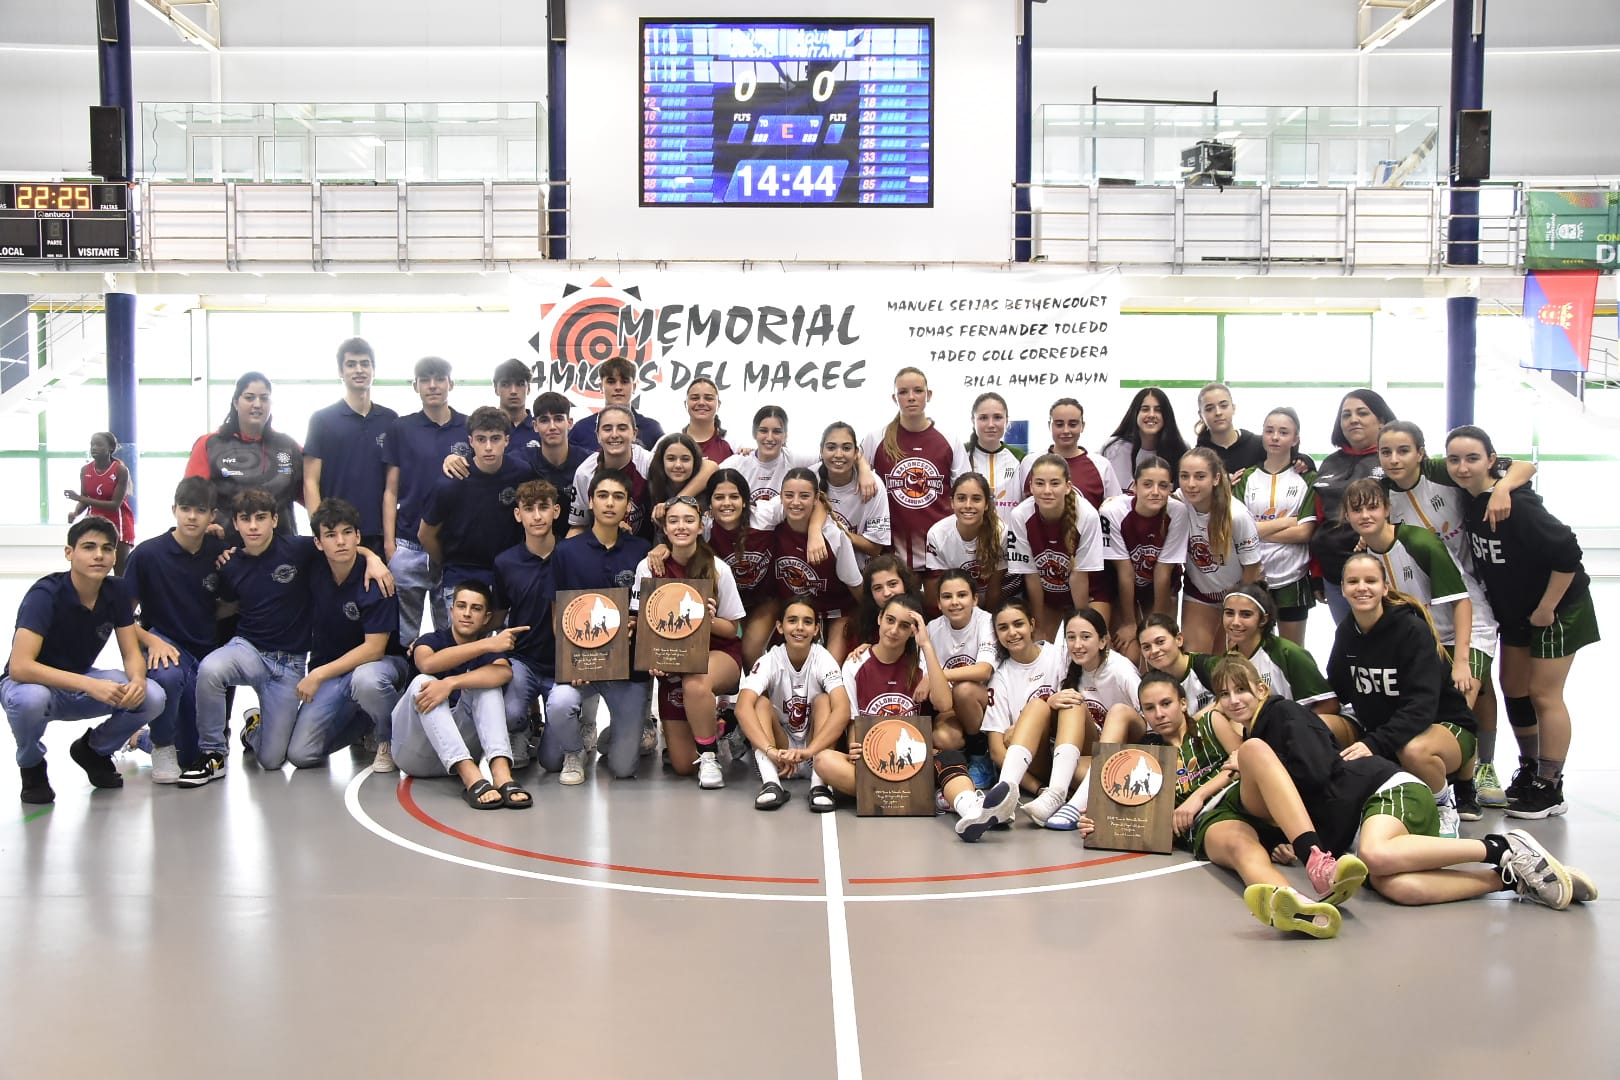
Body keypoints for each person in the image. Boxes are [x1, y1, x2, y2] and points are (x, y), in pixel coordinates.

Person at [1210, 654, 1590, 915]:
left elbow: (1318, 772)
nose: (1234, 700)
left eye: (1241, 689)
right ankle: (1508, 877)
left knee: (1376, 856)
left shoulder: (1281, 716)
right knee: (1398, 888)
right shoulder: (1256, 740)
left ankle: (1500, 846)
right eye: (1224, 695)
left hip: (1381, 790)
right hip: (1352, 826)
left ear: (1261, 689)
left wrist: (1285, 802)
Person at [180, 489, 391, 785]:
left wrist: (373, 557)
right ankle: (213, 752)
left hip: (289, 665)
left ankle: (254, 726)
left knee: (272, 760)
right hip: (248, 650)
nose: (254, 526)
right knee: (212, 669)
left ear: (275, 520)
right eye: (245, 519)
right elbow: (225, 604)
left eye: (261, 518)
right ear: (236, 524)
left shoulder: (300, 550)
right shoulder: (229, 563)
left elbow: (340, 544)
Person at [1378, 418, 1533, 811]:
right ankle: (1447, 777)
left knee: (1473, 687)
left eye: (1403, 451)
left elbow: (1523, 466)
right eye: (1387, 452)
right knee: (1442, 695)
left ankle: (1484, 766)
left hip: (1472, 599)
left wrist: (1500, 487)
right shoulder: (1381, 493)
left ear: (1420, 453)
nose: (1395, 459)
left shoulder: (1444, 472)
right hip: (1422, 612)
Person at [1447, 424, 1599, 820]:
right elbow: (1520, 465)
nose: (1463, 467)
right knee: (1513, 687)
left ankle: (1550, 786)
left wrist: (1548, 607)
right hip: (1514, 610)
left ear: (1492, 461)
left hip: (1556, 607)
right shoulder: (1469, 496)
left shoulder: (1518, 504)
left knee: (1544, 694)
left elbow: (1569, 554)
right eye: (1454, 459)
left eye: (1473, 458)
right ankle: (1529, 769)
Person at [815, 594, 1014, 840]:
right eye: (890, 620)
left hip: (915, 758)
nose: (894, 630)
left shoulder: (920, 662)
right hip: (875, 758)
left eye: (904, 625)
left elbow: (943, 703)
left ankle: (970, 811)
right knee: (824, 760)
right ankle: (932, 798)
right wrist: (857, 751)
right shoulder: (855, 664)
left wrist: (927, 646)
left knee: (949, 755)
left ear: (913, 631)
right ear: (879, 619)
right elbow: (855, 720)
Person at [2, 518, 167, 804]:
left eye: (107, 548)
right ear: (69, 553)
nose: (99, 555)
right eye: (88, 547)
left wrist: (138, 679)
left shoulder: (116, 591)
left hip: (80, 682)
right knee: (31, 701)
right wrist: (90, 684)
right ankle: (32, 766)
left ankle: (93, 750)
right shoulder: (45, 595)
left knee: (152, 695)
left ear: (115, 555)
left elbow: (130, 652)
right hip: (31, 685)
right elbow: (20, 667)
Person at [1329, 552, 1478, 838]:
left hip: (1444, 726)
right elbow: (1338, 686)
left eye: (1371, 580)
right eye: (1353, 581)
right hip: (1389, 730)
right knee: (1325, 726)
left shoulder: (1412, 631)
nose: (1362, 587)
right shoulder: (1347, 631)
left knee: (1412, 750)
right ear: (1344, 588)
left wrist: (1374, 743)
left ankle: (1445, 806)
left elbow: (1421, 708)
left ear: (1385, 587)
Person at [285, 499, 409, 771]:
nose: (340, 541)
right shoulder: (314, 565)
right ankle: (366, 719)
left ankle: (388, 736)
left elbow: (374, 649)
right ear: (318, 543)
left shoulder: (377, 580)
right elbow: (268, 543)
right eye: (331, 535)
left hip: (379, 665)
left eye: (347, 533)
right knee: (301, 755)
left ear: (358, 536)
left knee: (367, 681)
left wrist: (316, 675)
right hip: (333, 670)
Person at [548, 468, 654, 781]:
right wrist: (572, 664)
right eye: (603, 496)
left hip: (627, 670)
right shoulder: (566, 552)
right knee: (554, 734)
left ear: (627, 506)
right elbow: (558, 617)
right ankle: (573, 750)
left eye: (618, 497)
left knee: (623, 768)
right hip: (580, 666)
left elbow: (648, 608)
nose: (610, 503)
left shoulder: (642, 551)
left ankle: (618, 735)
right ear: (591, 502)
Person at [634, 495, 747, 789]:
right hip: (674, 659)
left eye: (688, 520)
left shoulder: (718, 568)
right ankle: (722, 724)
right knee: (683, 765)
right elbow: (643, 627)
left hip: (718, 652)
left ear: (700, 526)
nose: (681, 526)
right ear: (665, 528)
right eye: (673, 521)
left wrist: (706, 620)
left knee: (695, 680)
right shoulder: (648, 569)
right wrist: (653, 658)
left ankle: (709, 759)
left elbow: (733, 629)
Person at [124, 477, 229, 780]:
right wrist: (150, 641)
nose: (192, 517)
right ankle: (160, 745)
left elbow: (221, 603)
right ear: (174, 510)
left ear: (213, 516)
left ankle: (138, 737)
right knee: (167, 674)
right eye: (185, 509)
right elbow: (120, 619)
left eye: (200, 510)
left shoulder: (219, 553)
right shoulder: (146, 555)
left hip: (206, 650)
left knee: (195, 754)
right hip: (166, 642)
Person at [391, 581, 529, 810]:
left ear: (486, 617)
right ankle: (471, 778)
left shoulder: (490, 650)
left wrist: (451, 683)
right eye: (461, 606)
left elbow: (503, 673)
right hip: (414, 753)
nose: (466, 613)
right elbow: (426, 662)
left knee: (488, 684)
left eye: (475, 608)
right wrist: (486, 645)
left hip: (463, 751)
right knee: (423, 682)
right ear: (451, 610)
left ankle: (502, 775)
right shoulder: (430, 641)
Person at [736, 599, 851, 811]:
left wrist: (810, 751)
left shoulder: (823, 658)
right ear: (780, 626)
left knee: (825, 701)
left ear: (816, 629)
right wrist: (771, 751)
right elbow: (742, 707)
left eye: (807, 622)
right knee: (760, 703)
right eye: (792, 620)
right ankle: (771, 783)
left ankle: (819, 785)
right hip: (779, 754)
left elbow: (843, 709)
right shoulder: (770, 660)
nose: (799, 627)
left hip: (815, 751)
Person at [419, 407, 533, 620]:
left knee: (506, 645)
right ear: (470, 441)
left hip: (507, 573)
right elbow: (425, 534)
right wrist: (449, 562)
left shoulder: (522, 473)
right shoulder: (451, 482)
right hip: (461, 574)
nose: (488, 447)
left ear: (507, 440)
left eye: (495, 438)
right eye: (481, 439)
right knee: (460, 649)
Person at [382, 356, 467, 639]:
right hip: (409, 546)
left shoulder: (468, 428)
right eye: (425, 380)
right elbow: (391, 490)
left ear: (451, 383)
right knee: (403, 638)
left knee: (452, 636)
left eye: (440, 379)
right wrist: (390, 545)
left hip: (454, 550)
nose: (433, 386)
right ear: (415, 385)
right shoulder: (401, 428)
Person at [1218, 584, 1350, 743]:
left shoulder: (1288, 653)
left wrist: (1289, 728)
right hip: (1258, 739)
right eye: (1229, 613)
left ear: (1263, 619)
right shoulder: (1229, 660)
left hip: (1300, 736)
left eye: (1246, 615)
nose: (1235, 622)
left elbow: (1329, 705)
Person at [302, 337, 398, 553]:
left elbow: (392, 485)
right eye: (351, 364)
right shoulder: (321, 420)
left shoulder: (390, 419)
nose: (359, 370)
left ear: (373, 370)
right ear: (340, 371)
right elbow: (310, 481)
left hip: (377, 533)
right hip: (337, 533)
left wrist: (390, 540)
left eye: (365, 364)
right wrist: (321, 531)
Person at [490, 480, 560, 774]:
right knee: (510, 711)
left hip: (564, 663)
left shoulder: (572, 554)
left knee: (554, 762)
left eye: (544, 507)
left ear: (556, 511)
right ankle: (519, 732)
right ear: (518, 515)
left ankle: (562, 738)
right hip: (524, 660)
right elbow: (497, 616)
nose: (537, 516)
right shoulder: (505, 562)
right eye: (528, 509)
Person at [185, 371, 303, 544]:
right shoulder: (209, 444)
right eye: (249, 397)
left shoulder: (290, 447)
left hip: (282, 553)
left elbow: (314, 495)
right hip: (225, 552)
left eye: (264, 398)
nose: (257, 404)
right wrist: (203, 527)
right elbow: (189, 499)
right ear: (235, 402)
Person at [1310, 388, 1396, 623]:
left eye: (1362, 413)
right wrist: (1316, 572)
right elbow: (1320, 520)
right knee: (1349, 643)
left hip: (1379, 577)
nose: (1353, 419)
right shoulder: (1330, 463)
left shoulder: (1392, 459)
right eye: (1346, 415)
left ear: (1381, 420)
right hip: (1334, 577)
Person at [1233, 408, 1317, 645]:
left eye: (1283, 432)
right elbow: (1240, 531)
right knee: (1251, 650)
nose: (1275, 437)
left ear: (1295, 439)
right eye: (1269, 431)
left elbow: (1305, 532)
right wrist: (1288, 521)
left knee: (1292, 651)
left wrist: (1258, 530)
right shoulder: (1247, 477)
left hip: (1293, 577)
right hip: (1254, 575)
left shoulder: (1307, 478)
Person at [862, 367, 957, 573]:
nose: (911, 398)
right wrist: (862, 468)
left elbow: (961, 489)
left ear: (928, 395)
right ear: (894, 398)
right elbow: (853, 462)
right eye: (903, 392)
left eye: (918, 391)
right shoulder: (876, 437)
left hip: (939, 550)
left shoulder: (950, 439)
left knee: (936, 606)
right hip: (893, 553)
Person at [1006, 453, 1106, 641]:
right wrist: (1039, 624)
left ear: (1068, 487)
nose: (1047, 490)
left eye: (1054, 483)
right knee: (1044, 647)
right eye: (1040, 483)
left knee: (1088, 641)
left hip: (1090, 593)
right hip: (1047, 595)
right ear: (1031, 487)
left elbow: (1079, 575)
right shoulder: (1020, 515)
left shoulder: (1086, 515)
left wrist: (1081, 622)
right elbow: (1031, 575)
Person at [1099, 456, 1188, 661]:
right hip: (1122, 585)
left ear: (1171, 488)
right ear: (1134, 486)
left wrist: (1155, 624)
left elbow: (1163, 572)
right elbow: (1125, 571)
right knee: (1128, 652)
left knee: (1161, 646)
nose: (1155, 492)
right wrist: (1130, 623)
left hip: (1161, 585)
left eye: (1163, 485)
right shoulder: (1113, 512)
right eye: (1147, 484)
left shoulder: (1178, 512)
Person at [980, 600, 1068, 803]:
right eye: (1003, 628)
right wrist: (1038, 789)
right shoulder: (1000, 678)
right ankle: (1009, 796)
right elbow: (996, 751)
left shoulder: (1059, 656)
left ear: (1032, 625)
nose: (1012, 632)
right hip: (1037, 762)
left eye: (1018, 624)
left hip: (1070, 747)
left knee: (1056, 703)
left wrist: (1047, 705)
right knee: (1009, 737)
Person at [1176, 447, 1263, 654]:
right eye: (1184, 476)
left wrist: (1238, 609)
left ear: (1216, 479)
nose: (1191, 484)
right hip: (1200, 593)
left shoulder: (1237, 515)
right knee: (1196, 658)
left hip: (1236, 594)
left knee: (1229, 659)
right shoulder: (1179, 502)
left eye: (1200, 477)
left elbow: (1252, 568)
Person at [770, 468, 863, 660]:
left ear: (815, 499)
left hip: (835, 611)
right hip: (793, 612)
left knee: (831, 668)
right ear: (780, 497)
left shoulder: (834, 536)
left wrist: (870, 619)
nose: (795, 502)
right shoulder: (771, 526)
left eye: (804, 496)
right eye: (789, 495)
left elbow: (855, 586)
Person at [702, 469, 778, 668]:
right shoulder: (704, 528)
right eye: (719, 497)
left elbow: (814, 498)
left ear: (745, 501)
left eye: (734, 497)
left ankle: (762, 699)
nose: (727, 503)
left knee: (750, 651)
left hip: (766, 598)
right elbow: (675, 535)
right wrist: (660, 548)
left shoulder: (764, 515)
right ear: (709, 503)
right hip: (730, 603)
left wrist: (814, 532)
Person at [926, 569, 996, 755]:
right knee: (942, 737)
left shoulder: (987, 621)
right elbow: (936, 698)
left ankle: (979, 753)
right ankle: (968, 754)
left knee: (963, 690)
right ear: (939, 604)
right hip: (950, 705)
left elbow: (984, 671)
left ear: (975, 599)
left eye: (962, 595)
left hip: (986, 700)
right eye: (947, 597)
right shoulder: (932, 629)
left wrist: (938, 676)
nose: (955, 602)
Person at [565, 405, 655, 538]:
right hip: (600, 549)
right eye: (607, 429)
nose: (614, 435)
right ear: (597, 435)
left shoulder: (649, 463)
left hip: (646, 550)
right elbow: (579, 525)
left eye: (622, 428)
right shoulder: (584, 473)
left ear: (634, 434)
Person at [924, 472, 1009, 611]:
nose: (968, 505)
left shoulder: (1001, 532)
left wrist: (987, 623)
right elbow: (941, 590)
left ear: (987, 504)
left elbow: (994, 590)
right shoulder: (937, 534)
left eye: (976, 499)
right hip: (956, 603)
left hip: (991, 603)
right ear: (952, 502)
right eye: (961, 498)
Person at [1018, 398, 1120, 511]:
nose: (1066, 430)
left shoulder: (1102, 465)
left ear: (1082, 426)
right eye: (1059, 424)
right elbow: (1020, 507)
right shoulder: (1030, 462)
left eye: (1072, 424)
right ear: (1049, 425)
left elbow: (1115, 511)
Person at [817, 421, 890, 567]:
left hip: (860, 571)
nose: (838, 454)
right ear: (821, 451)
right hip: (821, 568)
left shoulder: (873, 485)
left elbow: (875, 548)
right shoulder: (811, 477)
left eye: (846, 448)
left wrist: (835, 532)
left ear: (856, 453)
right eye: (831, 447)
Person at [64, 431, 134, 574]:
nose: (94, 448)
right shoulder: (85, 470)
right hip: (93, 523)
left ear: (110, 448)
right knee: (89, 566)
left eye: (99, 445)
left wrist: (79, 498)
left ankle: (122, 596)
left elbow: (114, 505)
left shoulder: (120, 470)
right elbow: (85, 497)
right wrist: (76, 512)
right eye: (92, 445)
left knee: (120, 569)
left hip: (118, 524)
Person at [1100, 386, 1191, 495]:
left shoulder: (1181, 449)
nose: (1151, 415)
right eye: (1145, 409)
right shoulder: (1113, 448)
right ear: (1135, 413)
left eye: (1158, 410)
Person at [720, 406, 816, 505]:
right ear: (754, 433)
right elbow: (710, 477)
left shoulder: (793, 459)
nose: (770, 438)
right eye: (763, 431)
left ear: (785, 436)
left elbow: (827, 459)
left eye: (776, 431)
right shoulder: (738, 462)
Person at [568, 356, 666, 453]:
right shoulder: (581, 429)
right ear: (601, 387)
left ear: (634, 387)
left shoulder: (652, 429)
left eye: (624, 381)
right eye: (611, 382)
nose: (618, 387)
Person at [952, 392, 1022, 515]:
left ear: (1007, 420)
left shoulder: (1020, 457)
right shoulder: (960, 454)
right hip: (970, 533)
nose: (991, 424)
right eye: (983, 418)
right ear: (973, 420)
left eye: (997, 417)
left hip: (1011, 533)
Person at [1137, 613, 1218, 716]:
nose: (1154, 651)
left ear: (1179, 639)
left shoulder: (1209, 665)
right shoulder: (1150, 683)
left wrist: (1196, 721)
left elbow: (1235, 699)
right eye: (1146, 647)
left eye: (1160, 641)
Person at [646, 431, 718, 535]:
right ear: (662, 461)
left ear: (695, 461)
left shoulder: (705, 489)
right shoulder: (654, 485)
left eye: (685, 459)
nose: (678, 465)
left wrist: (674, 503)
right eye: (671, 459)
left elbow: (712, 466)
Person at [490, 358, 544, 460]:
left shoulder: (542, 429)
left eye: (520, 384)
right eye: (505, 384)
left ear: (529, 389)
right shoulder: (483, 429)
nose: (513, 391)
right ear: (496, 389)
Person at [680, 376, 734, 463]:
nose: (701, 403)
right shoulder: (669, 442)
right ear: (685, 404)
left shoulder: (734, 445)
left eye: (708, 398)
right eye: (695, 398)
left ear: (718, 404)